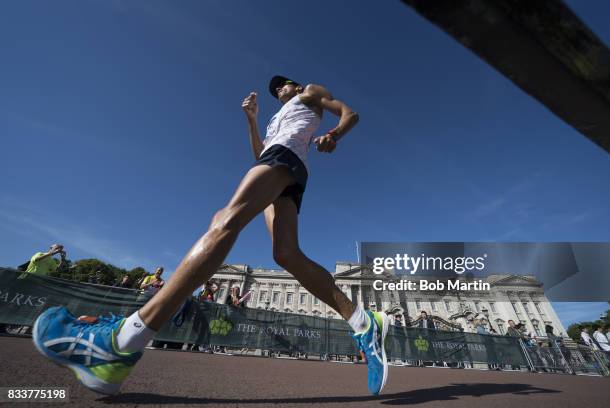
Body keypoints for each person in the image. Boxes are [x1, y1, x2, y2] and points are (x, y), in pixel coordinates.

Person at [32, 76, 389, 396]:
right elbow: (259, 152)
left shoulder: (310, 91)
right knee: (286, 254)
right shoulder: (276, 116)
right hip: (278, 160)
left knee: (224, 221)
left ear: (296, 86)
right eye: (275, 88)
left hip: (286, 160)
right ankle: (362, 321)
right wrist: (251, 120)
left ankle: (122, 341)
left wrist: (334, 135)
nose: (279, 89)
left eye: (282, 85)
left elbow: (349, 112)